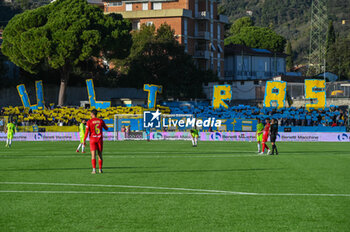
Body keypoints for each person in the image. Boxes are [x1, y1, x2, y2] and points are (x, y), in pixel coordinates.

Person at [83, 110, 108, 174]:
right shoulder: (101, 121)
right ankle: (100, 169)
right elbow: (106, 128)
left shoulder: (89, 121)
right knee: (100, 155)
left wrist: (84, 140)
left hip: (92, 140)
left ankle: (94, 170)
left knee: (93, 155)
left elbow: (86, 132)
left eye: (90, 114)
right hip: (99, 139)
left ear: (92, 114)